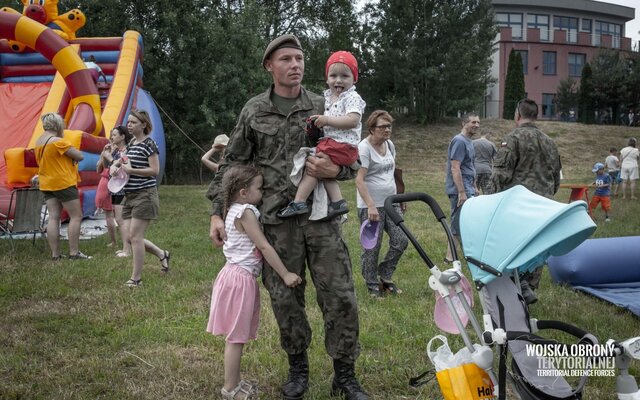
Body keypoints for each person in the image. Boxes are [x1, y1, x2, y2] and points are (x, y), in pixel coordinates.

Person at [208, 34, 369, 400]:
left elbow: (351, 158)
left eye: (299, 58)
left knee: (340, 296)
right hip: (276, 224)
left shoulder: (325, 103)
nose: (295, 65)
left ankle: (345, 375)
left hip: (321, 218)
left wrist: (334, 172)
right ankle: (298, 370)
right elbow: (231, 164)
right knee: (285, 298)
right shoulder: (254, 110)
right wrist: (217, 214)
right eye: (286, 59)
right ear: (270, 66)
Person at [207, 165, 302, 400]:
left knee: (236, 337)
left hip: (232, 275)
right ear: (243, 192)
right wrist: (286, 274)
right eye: (259, 188)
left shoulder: (232, 209)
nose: (262, 192)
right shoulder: (247, 212)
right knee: (236, 338)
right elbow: (263, 246)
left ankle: (236, 382)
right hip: (240, 279)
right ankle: (230, 389)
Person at [277, 50, 365, 222]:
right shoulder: (326, 98)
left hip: (343, 145)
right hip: (336, 144)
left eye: (345, 76)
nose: (338, 80)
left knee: (314, 164)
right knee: (322, 170)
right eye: (333, 76)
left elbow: (353, 120)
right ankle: (338, 203)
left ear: (354, 79)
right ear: (327, 78)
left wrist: (326, 120)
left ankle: (299, 201)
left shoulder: (352, 97)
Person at [492, 98, 561, 305]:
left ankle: (516, 287)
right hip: (543, 205)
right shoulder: (550, 141)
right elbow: (556, 177)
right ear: (536, 115)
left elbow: (499, 175)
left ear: (517, 115)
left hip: (517, 206)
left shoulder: (513, 138)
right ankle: (528, 286)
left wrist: (491, 201)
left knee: (513, 246)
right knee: (536, 246)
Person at [111, 109, 170, 287]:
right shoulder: (131, 144)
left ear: (143, 125)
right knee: (129, 238)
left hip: (145, 194)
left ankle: (136, 279)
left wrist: (131, 170)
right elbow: (121, 161)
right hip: (129, 195)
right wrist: (115, 167)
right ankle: (162, 254)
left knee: (135, 237)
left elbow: (154, 171)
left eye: (133, 122)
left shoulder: (149, 144)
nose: (129, 125)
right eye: (128, 122)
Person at [355, 110, 408, 298]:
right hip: (370, 205)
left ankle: (385, 275)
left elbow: (394, 172)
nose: (387, 130)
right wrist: (370, 205)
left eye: (389, 126)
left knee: (401, 240)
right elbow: (359, 180)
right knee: (372, 248)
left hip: (390, 203)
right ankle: (372, 284)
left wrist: (399, 197)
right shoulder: (364, 148)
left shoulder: (390, 145)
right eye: (383, 127)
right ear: (371, 128)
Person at [34, 113, 92, 260]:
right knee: (76, 216)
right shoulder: (58, 141)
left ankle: (55, 255)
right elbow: (79, 156)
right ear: (57, 125)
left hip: (47, 183)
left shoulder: (39, 142)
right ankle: (74, 252)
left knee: (53, 217)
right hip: (63, 182)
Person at [444, 112, 480, 263]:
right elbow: (455, 168)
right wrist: (461, 192)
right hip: (460, 190)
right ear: (464, 123)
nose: (476, 125)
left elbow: (469, 166)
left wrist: (474, 186)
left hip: (468, 187)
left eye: (478, 123)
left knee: (462, 223)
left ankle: (451, 257)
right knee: (459, 224)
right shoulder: (459, 141)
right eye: (473, 122)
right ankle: (453, 257)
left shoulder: (469, 142)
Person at [96, 125, 131, 257]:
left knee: (120, 219)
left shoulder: (126, 150)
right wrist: (105, 155)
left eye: (115, 135)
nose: (112, 137)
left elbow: (122, 164)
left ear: (123, 136)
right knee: (119, 218)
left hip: (123, 189)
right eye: (112, 135)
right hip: (115, 188)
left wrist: (109, 157)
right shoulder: (115, 150)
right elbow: (105, 168)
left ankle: (126, 249)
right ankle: (125, 247)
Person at [473, 129, 497, 195]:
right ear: (487, 134)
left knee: (474, 192)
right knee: (488, 193)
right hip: (487, 170)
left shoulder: (473, 143)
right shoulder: (491, 144)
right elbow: (496, 160)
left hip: (475, 170)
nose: (490, 137)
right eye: (490, 135)